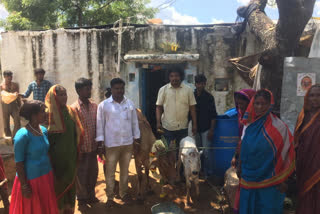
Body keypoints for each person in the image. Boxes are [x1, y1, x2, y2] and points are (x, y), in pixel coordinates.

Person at [239, 89, 295, 214]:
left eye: (263, 103)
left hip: (271, 181)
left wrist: (284, 179)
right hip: (248, 178)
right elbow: (244, 148)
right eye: (256, 103)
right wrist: (239, 166)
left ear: (269, 104)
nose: (259, 107)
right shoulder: (248, 126)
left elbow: (287, 153)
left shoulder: (279, 127)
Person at [96, 78, 140, 208]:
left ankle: (123, 193)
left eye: (121, 88)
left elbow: (134, 123)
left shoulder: (130, 104)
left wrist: (136, 140)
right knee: (110, 172)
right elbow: (100, 125)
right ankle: (110, 197)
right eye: (116, 88)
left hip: (127, 144)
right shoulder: (104, 105)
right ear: (112, 89)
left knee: (125, 171)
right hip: (111, 145)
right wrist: (100, 143)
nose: (119, 91)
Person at [10, 100, 59, 214]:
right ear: (33, 115)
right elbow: (19, 163)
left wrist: (52, 173)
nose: (45, 114)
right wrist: (24, 186)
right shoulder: (22, 135)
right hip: (31, 181)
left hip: (46, 177)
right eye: (42, 111)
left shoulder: (44, 131)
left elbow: (47, 153)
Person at [46, 85, 84, 214]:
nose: (64, 97)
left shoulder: (71, 111)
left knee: (71, 184)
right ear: (54, 97)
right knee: (58, 185)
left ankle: (69, 210)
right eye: (60, 95)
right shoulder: (48, 114)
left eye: (65, 94)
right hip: (56, 159)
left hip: (71, 155)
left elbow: (77, 133)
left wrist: (79, 151)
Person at [71, 78, 99, 207]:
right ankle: (82, 197)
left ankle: (91, 195)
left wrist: (100, 145)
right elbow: (73, 132)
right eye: (86, 89)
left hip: (93, 147)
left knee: (93, 173)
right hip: (81, 149)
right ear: (78, 90)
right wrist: (76, 149)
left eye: (90, 88)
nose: (89, 91)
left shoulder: (95, 106)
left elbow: (98, 126)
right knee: (81, 174)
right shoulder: (73, 108)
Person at [156, 66, 197, 150]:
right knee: (168, 151)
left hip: (183, 128)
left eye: (177, 75)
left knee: (182, 152)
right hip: (167, 128)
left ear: (181, 76)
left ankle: (180, 163)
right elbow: (159, 107)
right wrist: (158, 122)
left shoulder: (188, 90)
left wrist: (194, 124)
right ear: (169, 77)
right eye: (172, 76)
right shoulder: (163, 90)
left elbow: (192, 108)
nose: (174, 78)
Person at [294, 85, 320, 214]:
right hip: (305, 162)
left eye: (318, 95)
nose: (315, 98)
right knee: (305, 194)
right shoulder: (302, 116)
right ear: (307, 97)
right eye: (312, 95)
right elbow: (297, 140)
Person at [193, 74, 217, 173]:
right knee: (195, 153)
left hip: (206, 129)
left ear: (205, 84)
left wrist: (211, 130)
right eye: (198, 83)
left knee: (207, 153)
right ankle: (198, 172)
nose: (200, 86)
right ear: (195, 84)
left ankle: (208, 174)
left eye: (202, 84)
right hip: (194, 129)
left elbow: (213, 115)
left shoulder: (209, 97)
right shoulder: (191, 96)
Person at [0, 70, 21, 138]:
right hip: (5, 105)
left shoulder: (15, 85)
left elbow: (17, 95)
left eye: (11, 76)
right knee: (6, 123)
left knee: (17, 121)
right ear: (4, 77)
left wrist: (19, 105)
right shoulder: (1, 86)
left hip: (14, 105)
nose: (10, 78)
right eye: (8, 76)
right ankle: (8, 137)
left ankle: (15, 136)